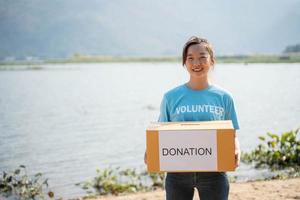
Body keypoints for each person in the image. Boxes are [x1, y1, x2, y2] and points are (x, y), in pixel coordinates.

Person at [144, 36, 240, 200]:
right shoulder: (171, 97)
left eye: (202, 57)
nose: (196, 63)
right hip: (177, 173)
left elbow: (232, 135)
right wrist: (150, 151)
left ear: (211, 61)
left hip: (214, 173)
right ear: (184, 62)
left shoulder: (224, 97)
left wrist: (237, 149)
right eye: (191, 58)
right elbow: (160, 132)